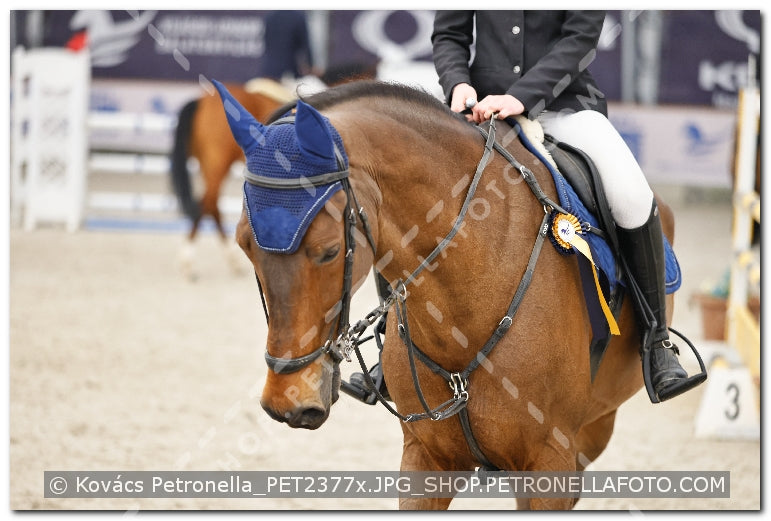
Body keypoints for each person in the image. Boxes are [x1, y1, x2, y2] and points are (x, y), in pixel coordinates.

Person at [429, 10, 704, 403]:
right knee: (412, 180)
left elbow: (580, 40)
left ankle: (657, 341)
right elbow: (449, 35)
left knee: (632, 197)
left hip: (563, 107)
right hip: (481, 110)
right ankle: (392, 339)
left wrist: (520, 97)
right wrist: (458, 83)